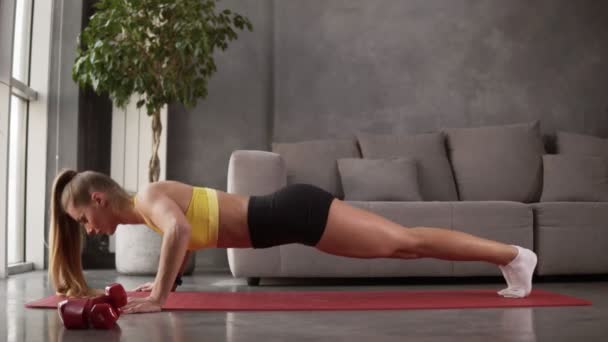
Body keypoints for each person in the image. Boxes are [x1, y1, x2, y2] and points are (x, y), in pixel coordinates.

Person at [49, 169, 538, 314]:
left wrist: (156, 296)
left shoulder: (152, 196)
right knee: (403, 244)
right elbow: (189, 239)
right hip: (295, 223)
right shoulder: (149, 212)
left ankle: (514, 256)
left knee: (404, 242)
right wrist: (165, 286)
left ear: (98, 198)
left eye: (82, 218)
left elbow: (180, 232)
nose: (88, 229)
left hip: (295, 212)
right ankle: (512, 258)